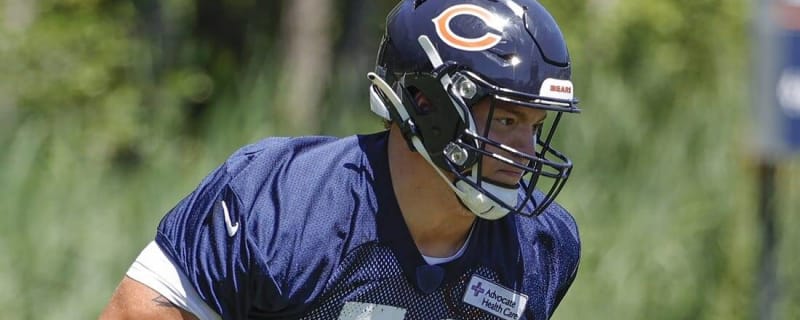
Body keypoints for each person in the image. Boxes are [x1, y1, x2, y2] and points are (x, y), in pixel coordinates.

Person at [99, 0, 581, 319]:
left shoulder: (541, 246)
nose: (525, 155)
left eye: (536, 127)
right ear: (425, 102)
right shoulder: (284, 202)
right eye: (507, 121)